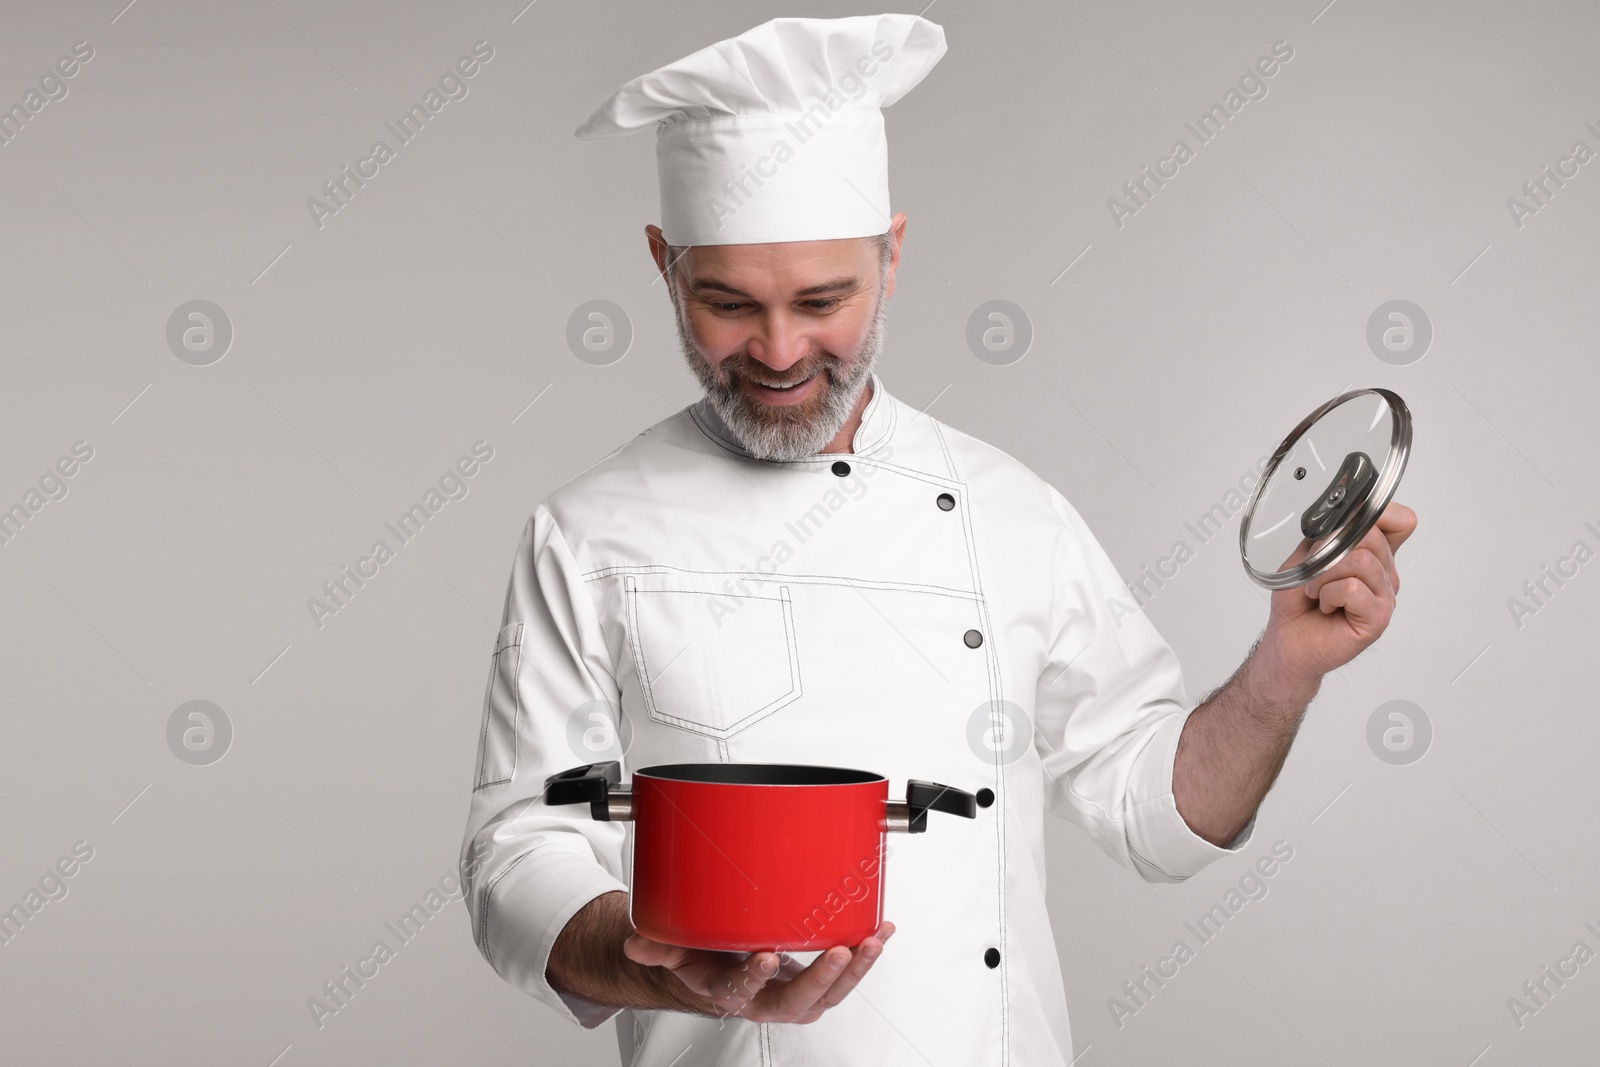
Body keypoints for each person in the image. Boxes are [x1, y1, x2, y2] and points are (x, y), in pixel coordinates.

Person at [457, 14, 1417, 1066]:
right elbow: (518, 851)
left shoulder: (1011, 511)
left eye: (823, 301)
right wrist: (653, 963)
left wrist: (1284, 667)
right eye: (727, 304)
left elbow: (1154, 813)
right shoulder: (587, 531)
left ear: (892, 256)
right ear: (663, 265)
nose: (778, 352)